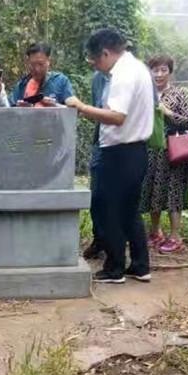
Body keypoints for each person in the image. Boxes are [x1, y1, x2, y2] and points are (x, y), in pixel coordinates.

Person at [66, 28, 154, 284]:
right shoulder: (137, 67)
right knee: (129, 210)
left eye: (95, 59)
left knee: (107, 209)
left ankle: (115, 268)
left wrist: (81, 107)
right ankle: (140, 265)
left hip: (119, 153)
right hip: (135, 151)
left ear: (105, 53)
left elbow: (116, 116)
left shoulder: (123, 75)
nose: (94, 64)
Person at [140, 55, 188, 254]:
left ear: (170, 72)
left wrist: (167, 112)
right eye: (155, 70)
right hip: (150, 150)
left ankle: (176, 236)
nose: (159, 74)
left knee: (173, 192)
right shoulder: (145, 94)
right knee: (152, 189)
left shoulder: (180, 93)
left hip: (173, 150)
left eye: (163, 70)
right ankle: (155, 232)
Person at [83, 70, 108, 260]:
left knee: (119, 199)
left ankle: (117, 245)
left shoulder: (130, 75)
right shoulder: (98, 78)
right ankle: (99, 238)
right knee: (97, 194)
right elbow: (96, 110)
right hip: (100, 142)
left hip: (124, 146)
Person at [9, 42, 74, 107]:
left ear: (49, 61)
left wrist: (55, 106)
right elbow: (9, 109)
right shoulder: (22, 85)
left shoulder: (60, 81)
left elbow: (72, 110)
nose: (37, 69)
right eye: (33, 64)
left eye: (41, 64)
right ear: (28, 62)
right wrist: (21, 108)